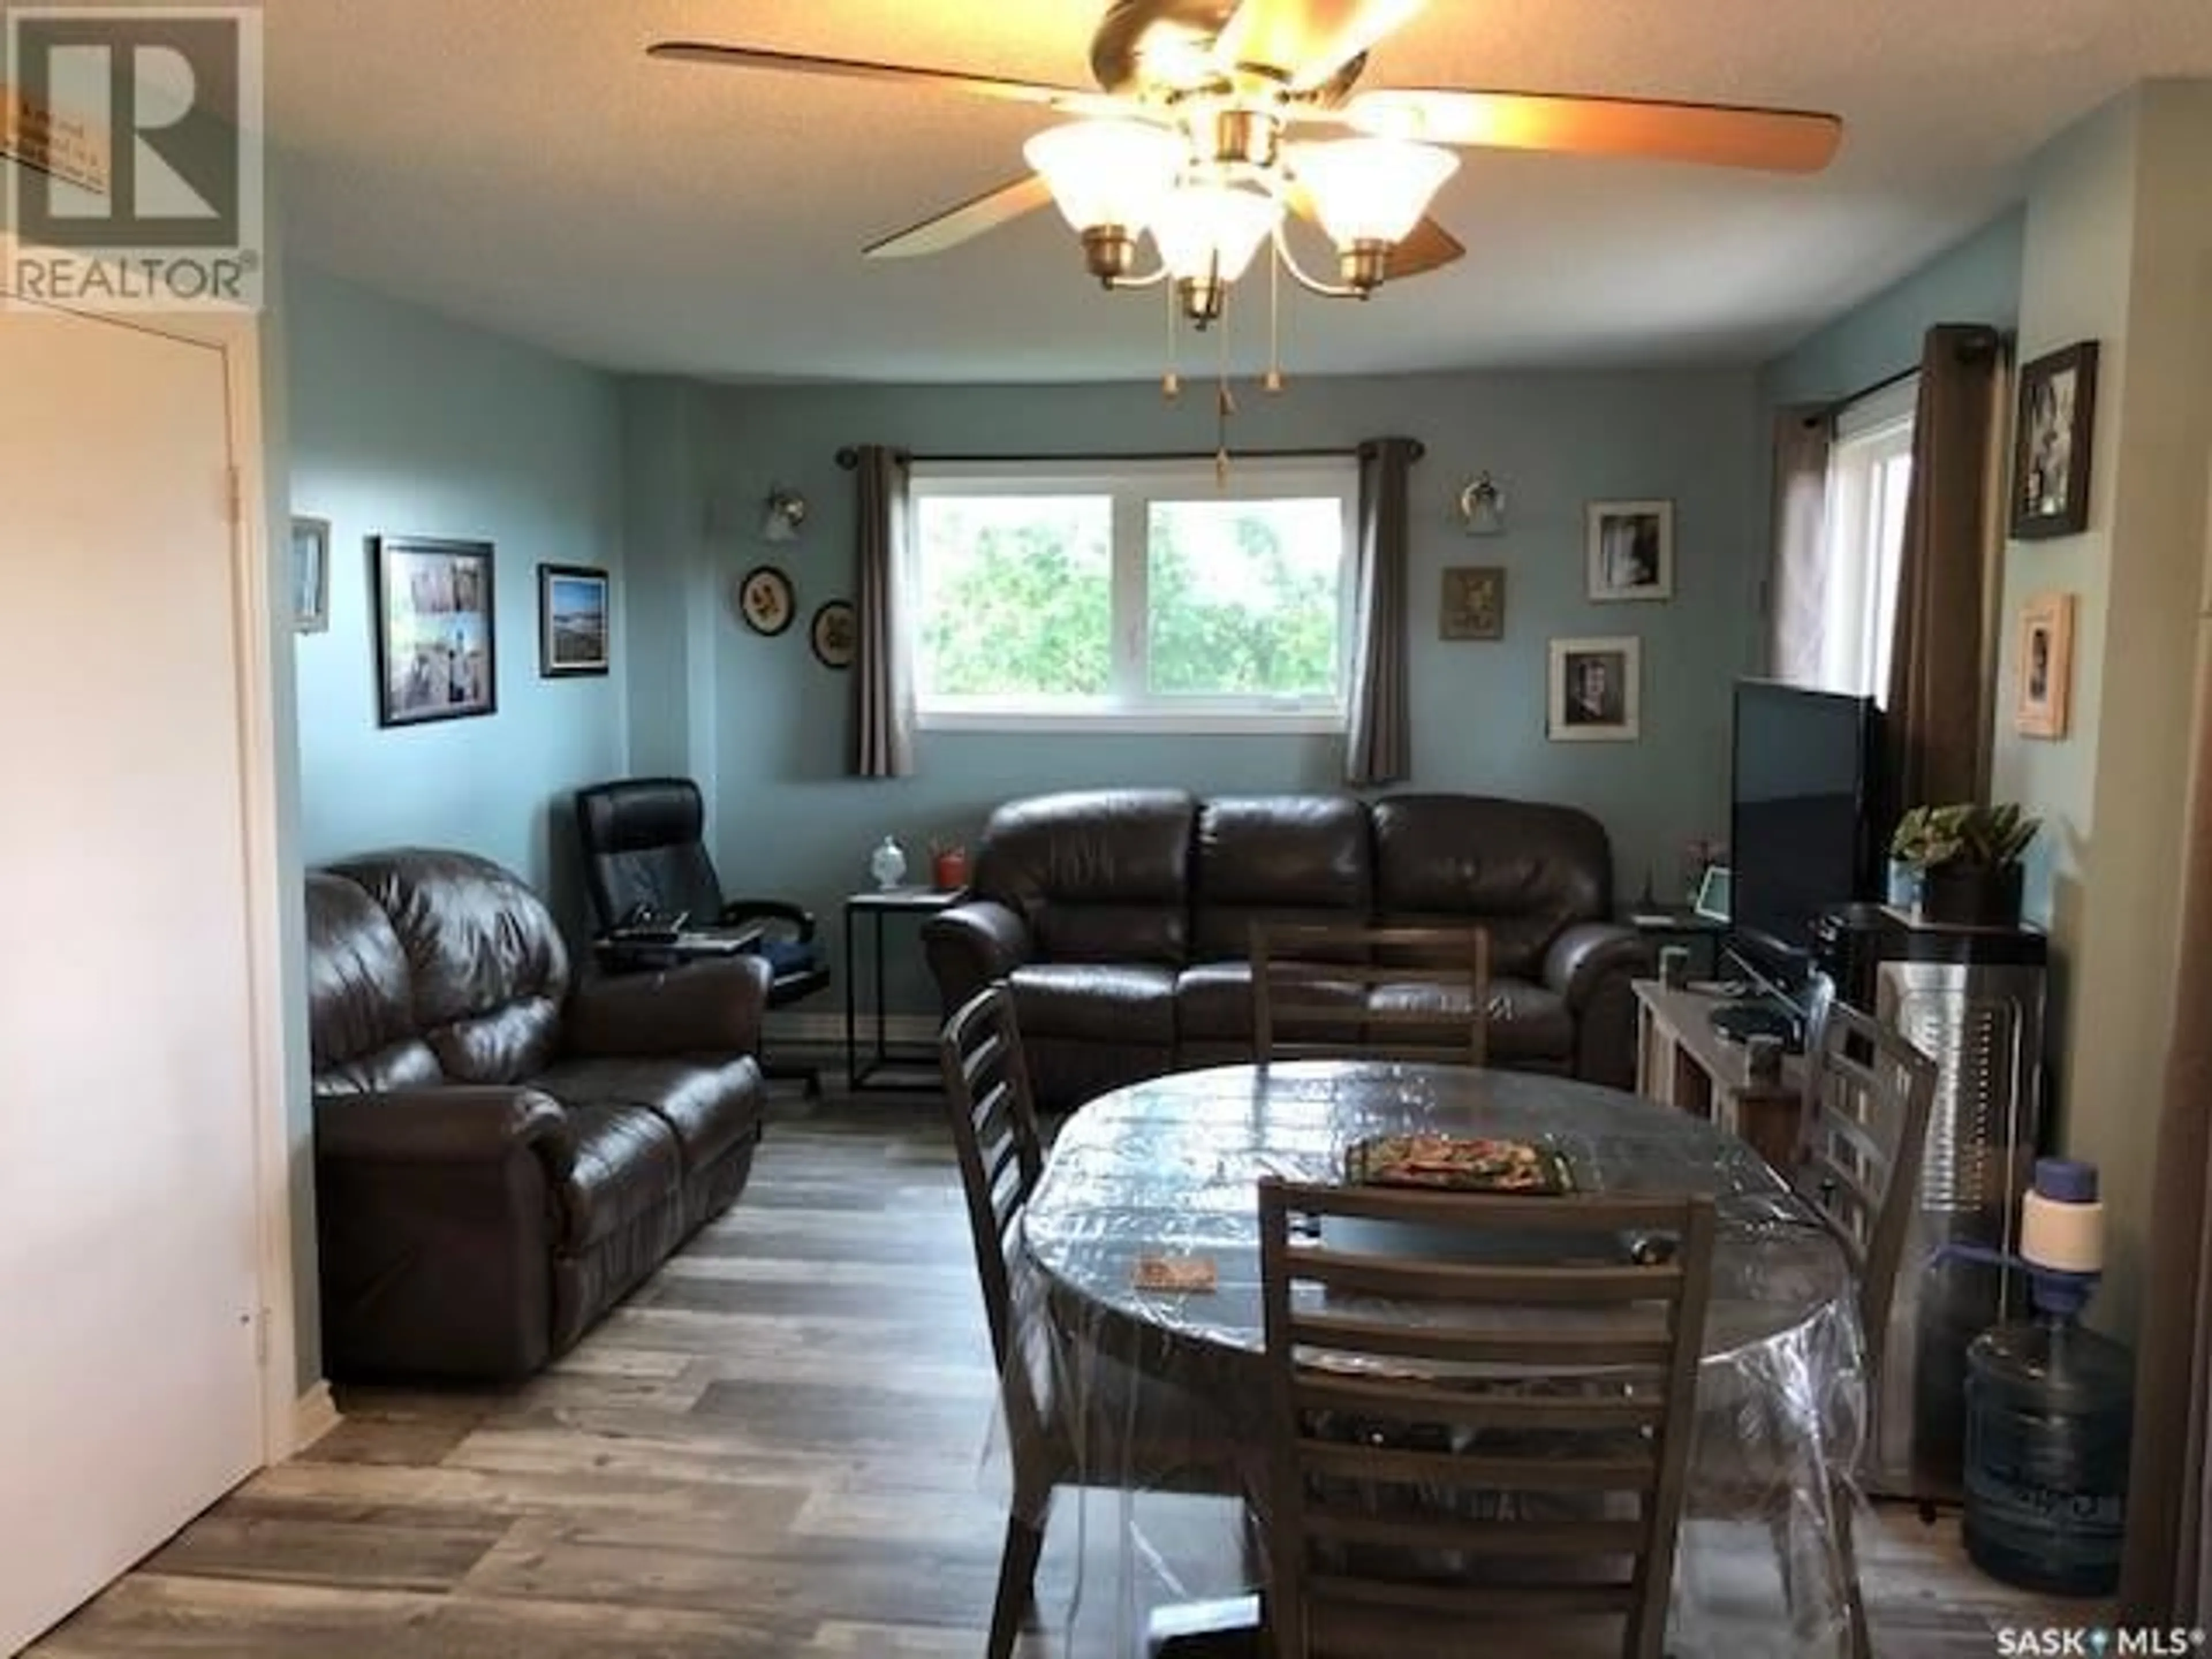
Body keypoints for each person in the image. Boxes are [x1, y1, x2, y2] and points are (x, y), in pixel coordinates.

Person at [1566, 654, 1619, 725]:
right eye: (1592, 678)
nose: (1597, 684)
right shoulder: (1573, 712)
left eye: (1600, 678)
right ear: (1582, 682)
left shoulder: (1611, 709)